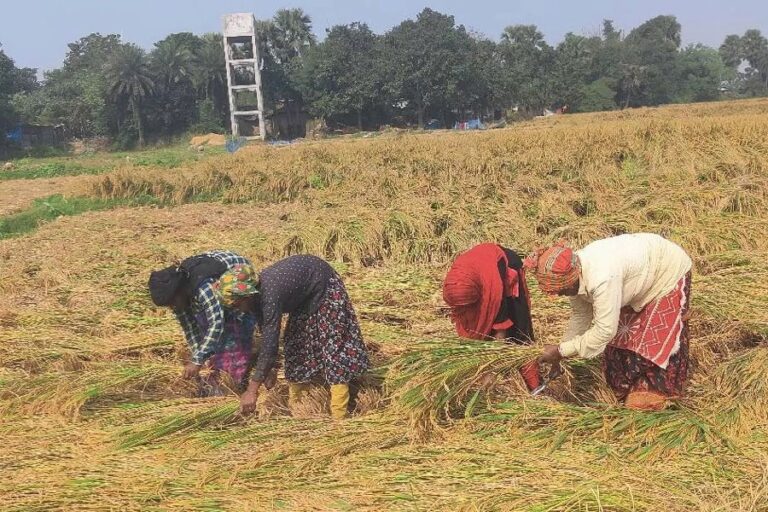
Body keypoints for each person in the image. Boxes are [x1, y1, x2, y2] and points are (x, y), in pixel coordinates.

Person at [526, 234, 692, 410]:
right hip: (636, 279)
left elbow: (605, 331)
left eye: (559, 290)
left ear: (570, 280)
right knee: (623, 337)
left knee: (654, 340)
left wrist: (561, 351)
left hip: (665, 273)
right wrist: (559, 355)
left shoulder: (602, 277)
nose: (558, 295)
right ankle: (627, 387)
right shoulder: (575, 274)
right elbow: (581, 316)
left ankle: (658, 394)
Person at [214, 255, 369, 419]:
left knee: (333, 348)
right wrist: (269, 369)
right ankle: (299, 409)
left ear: (246, 296)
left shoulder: (269, 295)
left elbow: (270, 344)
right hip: (302, 298)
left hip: (323, 284)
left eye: (236, 305)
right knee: (296, 346)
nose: (237, 309)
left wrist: (252, 390)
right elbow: (267, 334)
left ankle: (339, 417)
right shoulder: (255, 298)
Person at [148, 250, 266, 394]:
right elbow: (190, 329)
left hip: (237, 281)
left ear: (179, 292)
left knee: (235, 333)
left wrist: (196, 362)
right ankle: (216, 371)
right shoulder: (177, 298)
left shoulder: (204, 288)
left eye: (173, 302)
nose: (172, 307)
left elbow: (216, 323)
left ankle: (233, 383)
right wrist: (200, 359)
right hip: (215, 291)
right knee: (208, 335)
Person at [443, 243, 534, 343]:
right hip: (481, 265)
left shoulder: (492, 287)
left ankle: (523, 343)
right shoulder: (454, 286)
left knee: (517, 314)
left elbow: (500, 312)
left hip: (504, 260)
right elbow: (462, 313)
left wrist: (499, 345)